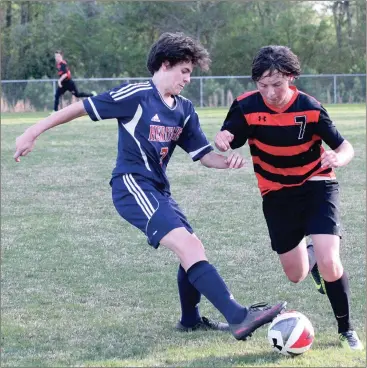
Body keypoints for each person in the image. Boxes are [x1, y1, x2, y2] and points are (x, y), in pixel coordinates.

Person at [14, 33, 286, 341]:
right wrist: (31, 132)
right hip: (132, 185)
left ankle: (190, 320)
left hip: (158, 190)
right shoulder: (137, 94)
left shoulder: (183, 108)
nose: (187, 79)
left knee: (193, 246)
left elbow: (204, 155)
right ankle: (238, 316)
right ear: (165, 64)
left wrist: (228, 161)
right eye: (184, 71)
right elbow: (79, 108)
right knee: (188, 246)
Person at [215, 45, 363, 350]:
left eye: (277, 84)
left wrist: (339, 158)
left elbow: (345, 147)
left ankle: (346, 329)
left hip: (317, 184)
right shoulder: (245, 106)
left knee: (330, 261)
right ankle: (313, 253)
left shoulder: (310, 107)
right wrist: (223, 138)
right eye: (263, 85)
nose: (270, 92)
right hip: (276, 193)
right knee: (295, 274)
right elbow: (230, 135)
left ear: (291, 78)